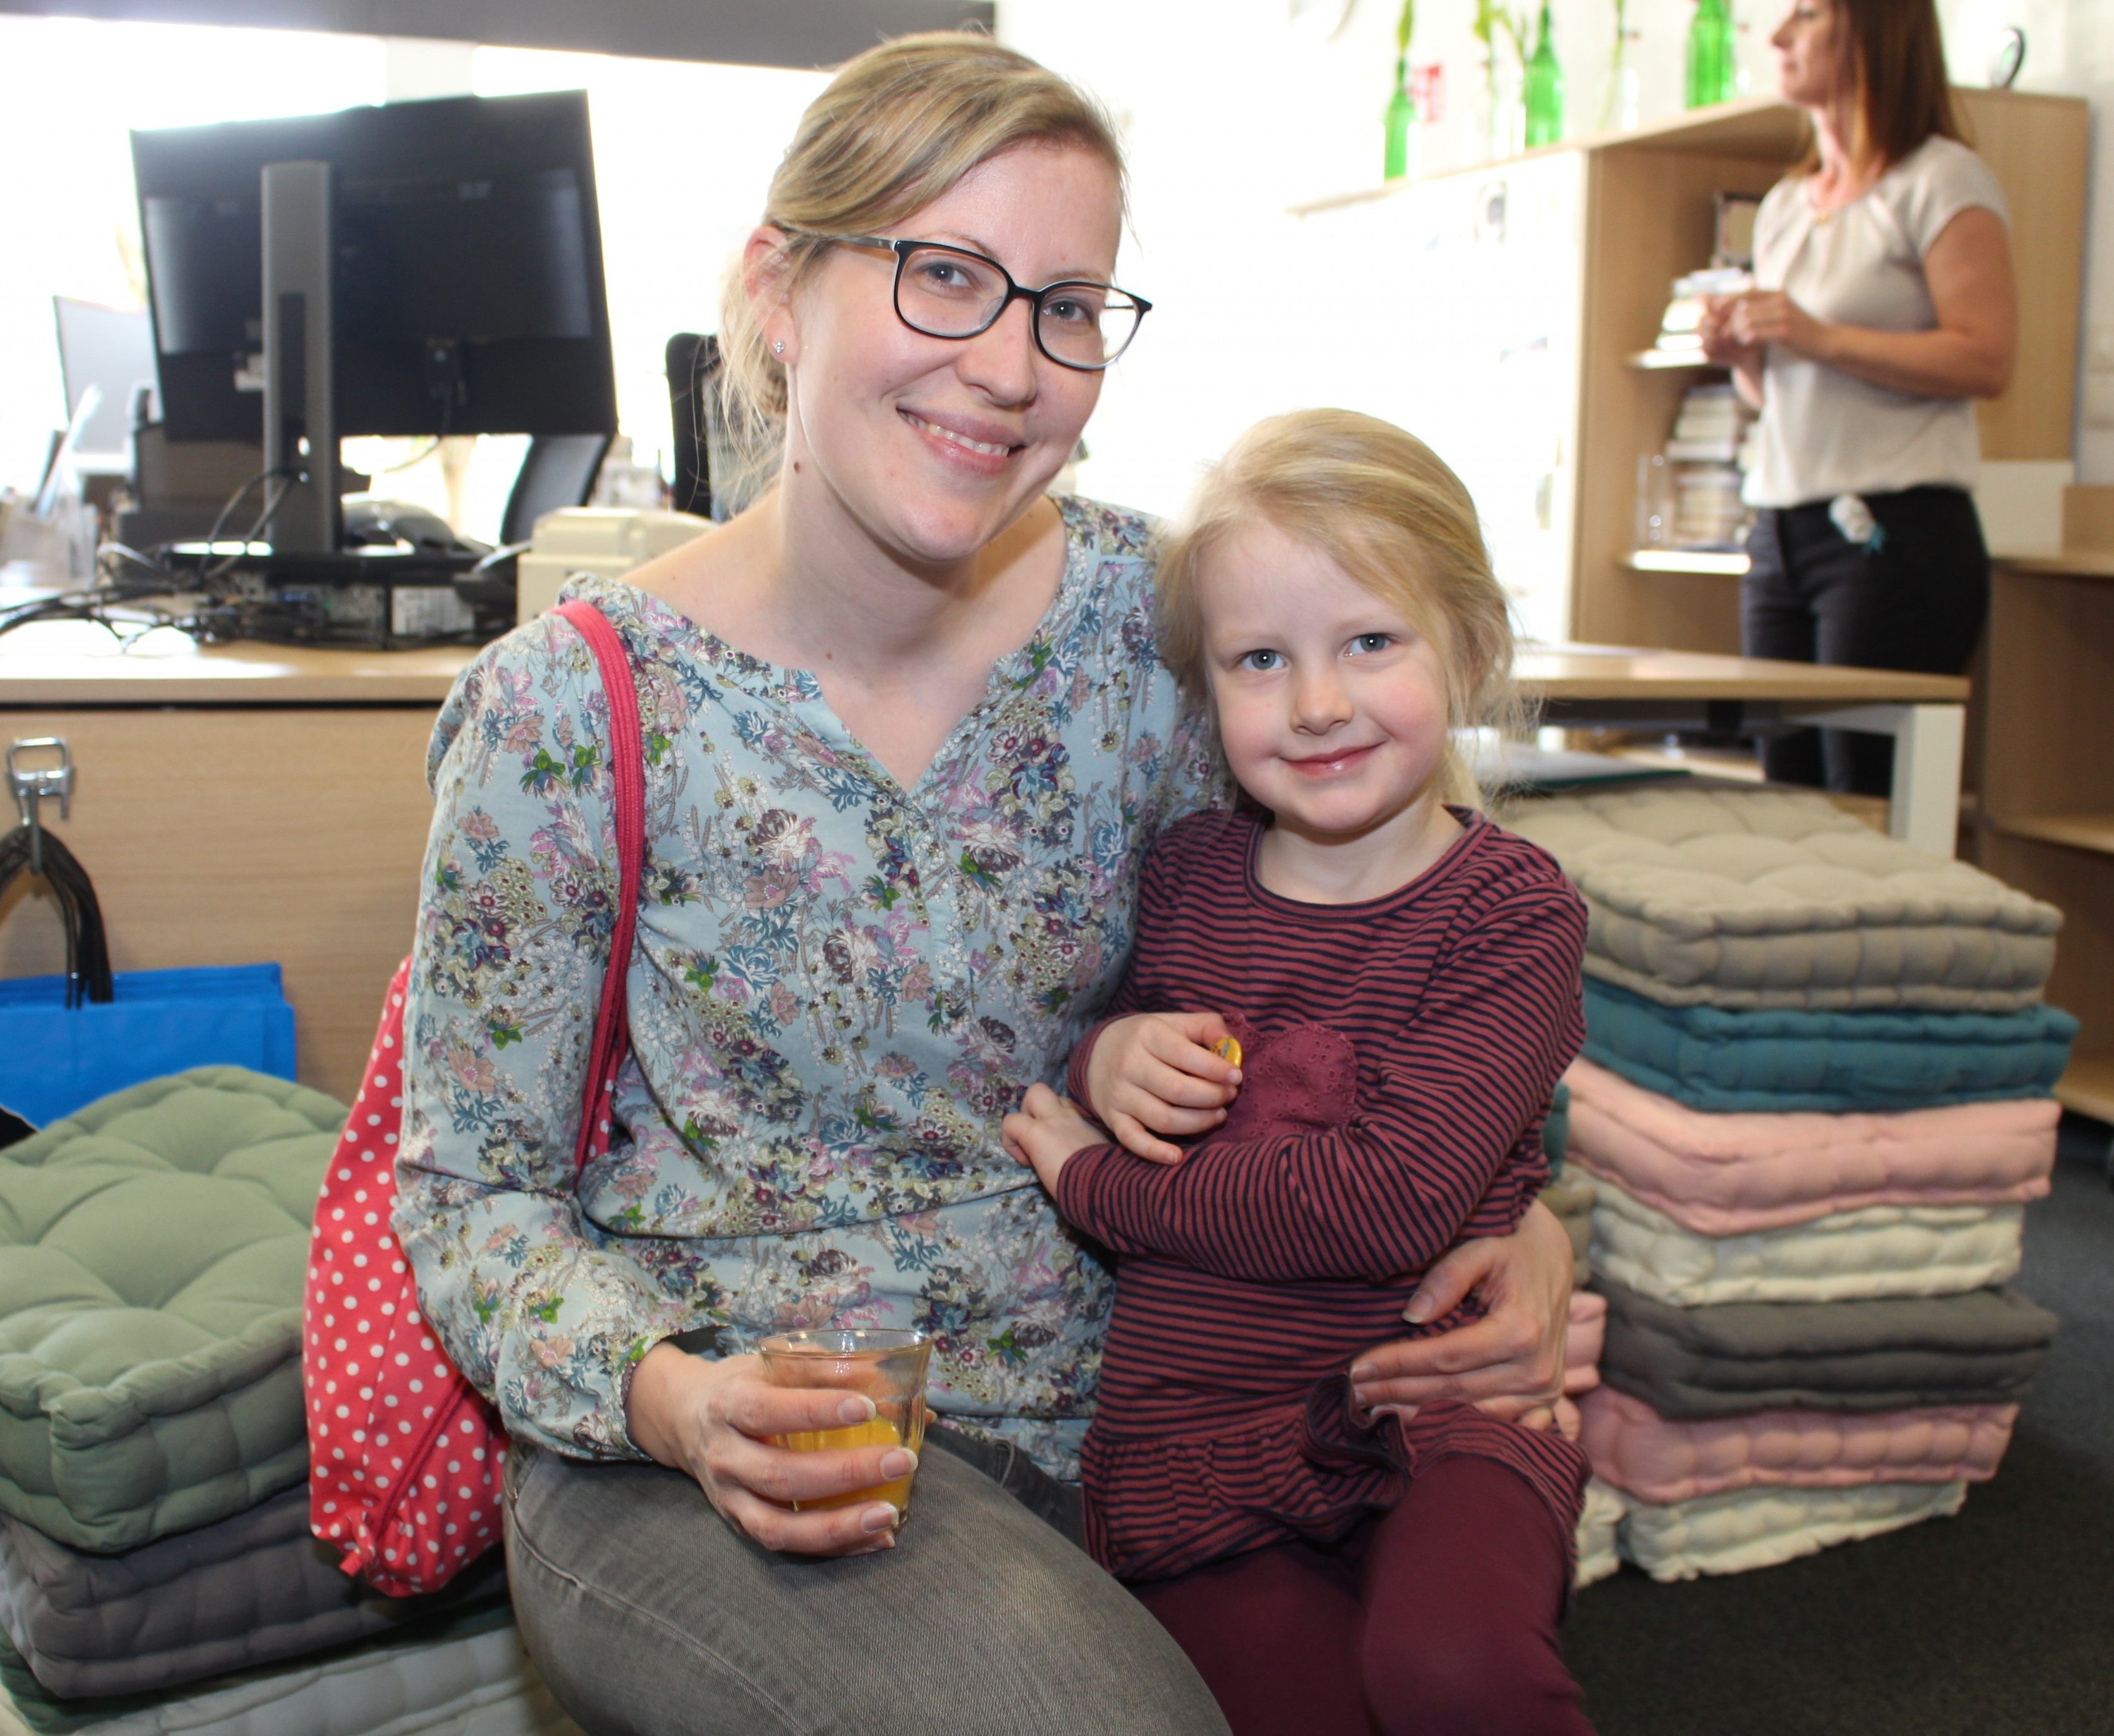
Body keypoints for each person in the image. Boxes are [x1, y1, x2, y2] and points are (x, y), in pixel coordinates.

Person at [395, 34, 1577, 1736]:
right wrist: (671, 1400)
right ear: (780, 289)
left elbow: (1379, 947)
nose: (1010, 365)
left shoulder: (1162, 633)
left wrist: (1521, 1223)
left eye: (1068, 304)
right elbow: (469, 1193)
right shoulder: (571, 709)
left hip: (1174, 1385)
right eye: (945, 275)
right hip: (762, 1421)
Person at [1003, 410, 1593, 1736]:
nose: (1316, 702)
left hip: (1434, 1414)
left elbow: (1380, 1205)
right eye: (1259, 659)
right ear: (1208, 693)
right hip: (1194, 1448)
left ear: (1470, 648)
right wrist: (1109, 1059)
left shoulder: (1508, 912)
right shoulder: (1185, 876)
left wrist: (1094, 1185)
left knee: (1452, 1671)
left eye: (1368, 642)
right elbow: (1105, 1028)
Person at [1700, 0, 2017, 795]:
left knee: (1864, 800)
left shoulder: (1940, 179)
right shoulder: (1782, 205)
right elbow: (1779, 392)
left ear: (1873, 26)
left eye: (1804, 14)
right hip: (1779, 530)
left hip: (1890, 538)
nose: (1778, 36)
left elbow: (1987, 357)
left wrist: (1816, 335)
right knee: (1785, 800)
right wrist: (1744, 356)